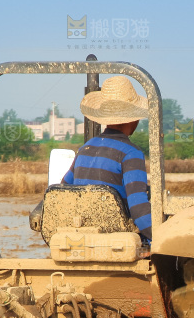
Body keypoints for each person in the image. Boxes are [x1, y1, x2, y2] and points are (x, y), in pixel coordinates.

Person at [62, 76, 152, 242]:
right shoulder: (131, 153)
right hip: (116, 241)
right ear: (134, 118)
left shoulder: (84, 149)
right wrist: (163, 235)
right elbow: (139, 212)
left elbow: (64, 190)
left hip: (83, 237)